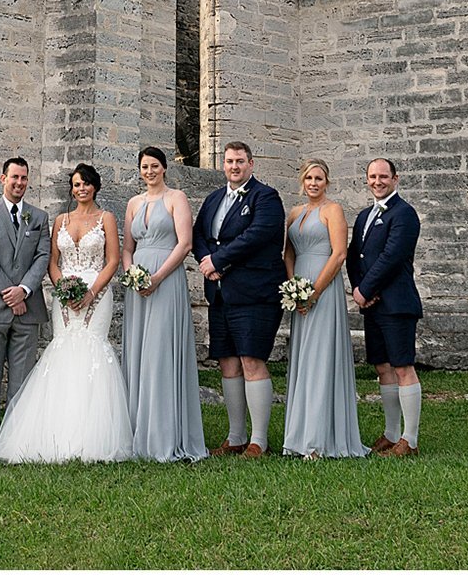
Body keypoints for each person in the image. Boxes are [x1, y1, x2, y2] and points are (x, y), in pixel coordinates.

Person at [0, 162, 133, 463]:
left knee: (93, 349)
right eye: (77, 184)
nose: (81, 189)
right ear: (72, 188)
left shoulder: (106, 218)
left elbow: (112, 260)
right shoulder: (60, 220)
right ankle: (55, 433)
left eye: (86, 184)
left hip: (97, 295)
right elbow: (52, 261)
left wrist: (91, 292)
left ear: (95, 187)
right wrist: (63, 289)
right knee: (63, 348)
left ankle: (92, 437)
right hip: (64, 298)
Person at [195, 140, 285, 456]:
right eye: (229, 161)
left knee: (251, 360)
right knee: (228, 362)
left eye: (240, 161)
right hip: (220, 293)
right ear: (223, 164)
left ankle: (259, 440)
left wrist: (219, 261)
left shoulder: (266, 197)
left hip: (255, 292)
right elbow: (198, 235)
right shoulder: (213, 199)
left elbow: (257, 235)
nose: (234, 166)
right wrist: (207, 261)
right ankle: (235, 437)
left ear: (251, 164)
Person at [120, 144, 207, 461]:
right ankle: (136, 429)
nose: (149, 171)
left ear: (164, 167)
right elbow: (127, 248)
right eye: (144, 167)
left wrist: (156, 278)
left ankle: (163, 434)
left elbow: (185, 244)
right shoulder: (133, 203)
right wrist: (132, 275)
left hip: (166, 281)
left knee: (160, 351)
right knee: (139, 351)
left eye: (154, 166)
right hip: (138, 285)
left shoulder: (176, 198)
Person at [279, 160, 366, 457]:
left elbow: (339, 254)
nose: (313, 183)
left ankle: (318, 440)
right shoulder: (295, 213)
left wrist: (314, 293)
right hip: (300, 288)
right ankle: (299, 436)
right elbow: (288, 253)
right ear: (302, 181)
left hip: (323, 289)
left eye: (318, 178)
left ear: (327, 182)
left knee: (320, 358)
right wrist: (294, 288)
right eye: (309, 178)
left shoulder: (333, 210)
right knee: (304, 358)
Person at [0, 156, 50, 463]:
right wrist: (10, 294)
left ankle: (15, 443)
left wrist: (24, 290)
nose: (19, 183)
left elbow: (42, 258)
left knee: (22, 382)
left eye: (24, 178)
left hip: (28, 310)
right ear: (2, 178)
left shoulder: (39, 217)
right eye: (14, 177)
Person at [348, 157, 423, 456]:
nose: (377, 181)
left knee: (403, 367)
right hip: (372, 305)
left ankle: (410, 439)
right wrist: (359, 289)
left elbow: (392, 256)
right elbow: (354, 256)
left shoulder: (405, 214)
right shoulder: (364, 216)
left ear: (395, 179)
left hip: (397, 303)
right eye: (372, 177)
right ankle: (391, 433)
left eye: (383, 176)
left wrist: (365, 290)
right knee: (383, 368)